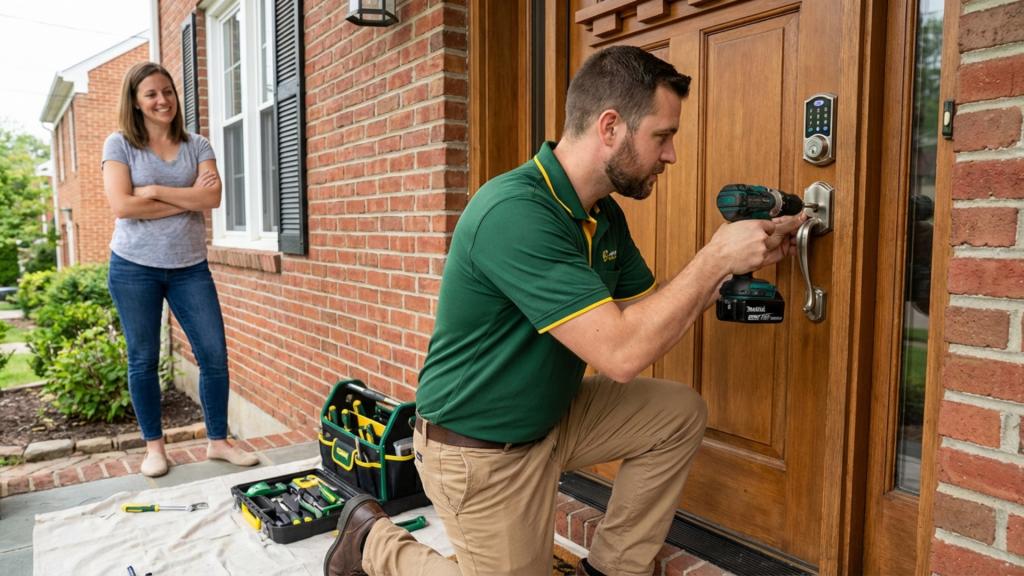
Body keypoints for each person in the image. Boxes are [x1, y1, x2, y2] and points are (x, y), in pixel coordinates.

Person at [324, 46, 803, 576]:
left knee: (676, 413)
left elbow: (643, 313)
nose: (670, 155)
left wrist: (730, 269)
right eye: (662, 137)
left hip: (551, 417)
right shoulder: (515, 212)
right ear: (610, 126)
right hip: (478, 450)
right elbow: (621, 353)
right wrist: (714, 258)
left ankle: (613, 568)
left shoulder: (602, 214)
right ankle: (373, 542)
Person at [102, 62, 258, 478]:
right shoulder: (119, 145)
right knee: (143, 359)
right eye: (151, 94)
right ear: (135, 102)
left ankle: (218, 442)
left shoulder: (198, 145)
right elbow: (122, 206)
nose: (162, 100)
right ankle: (155, 448)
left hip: (190, 267)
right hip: (134, 267)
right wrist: (187, 197)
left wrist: (152, 191)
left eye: (167, 91)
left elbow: (214, 199)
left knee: (214, 355)